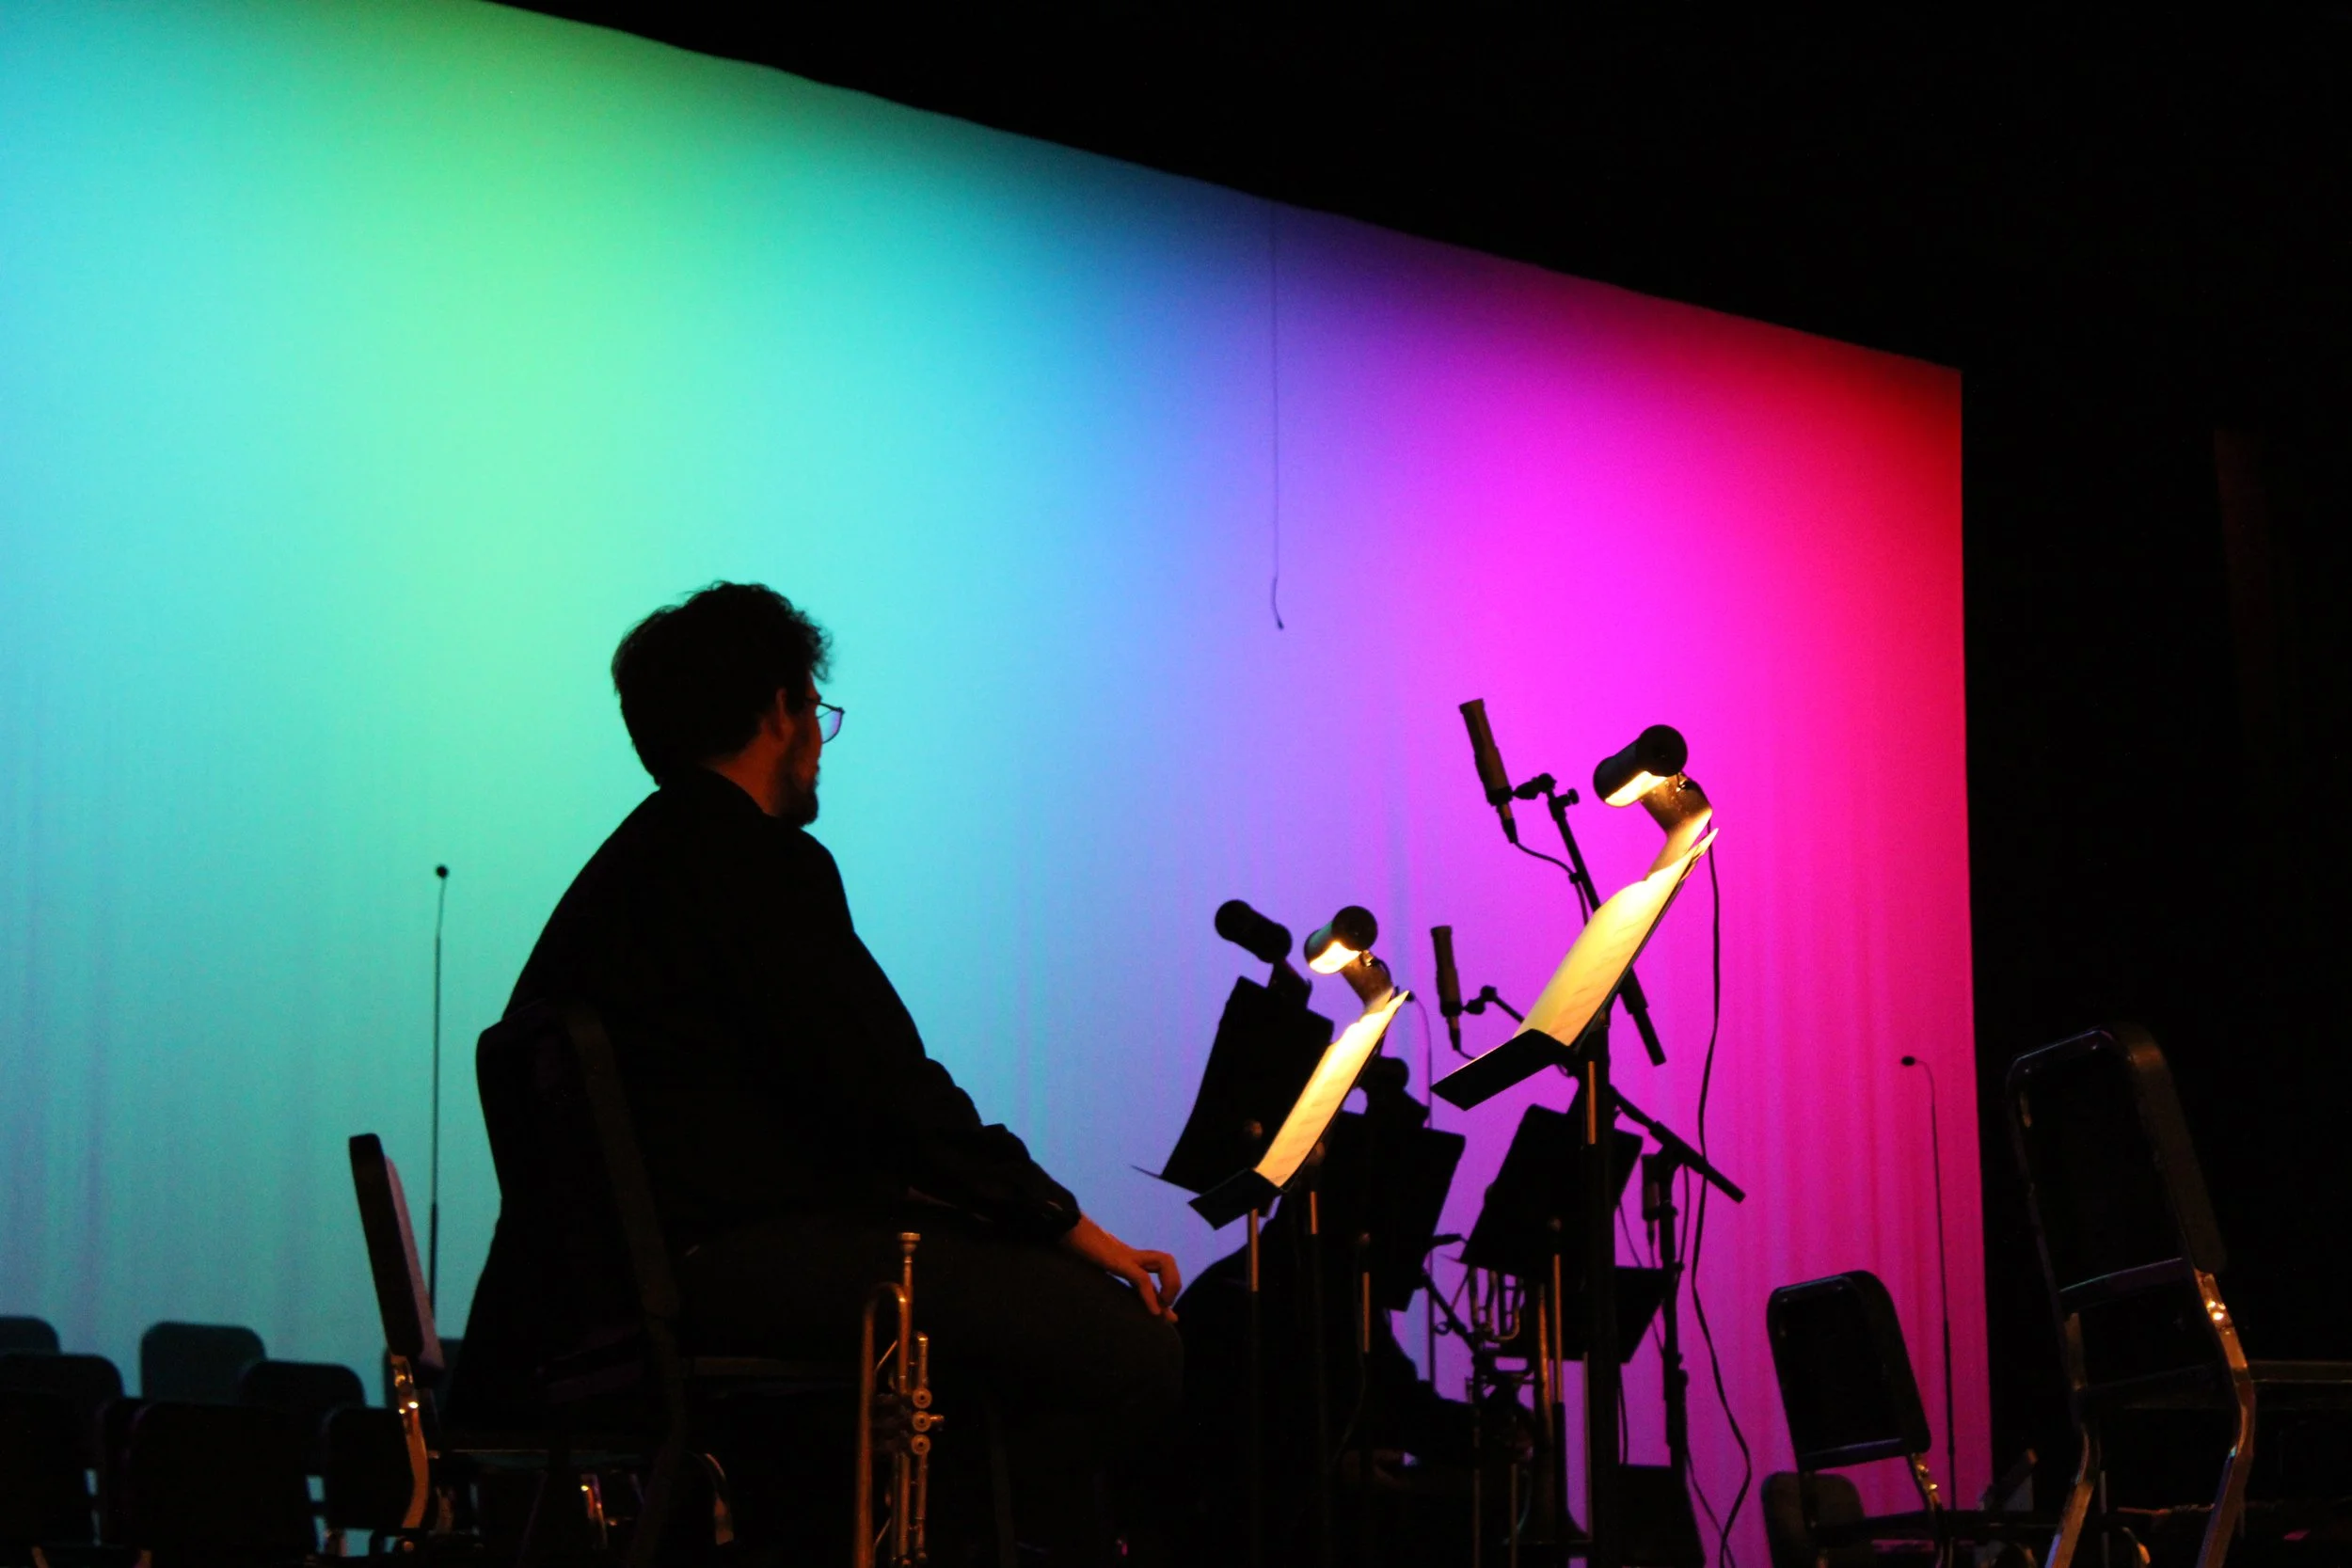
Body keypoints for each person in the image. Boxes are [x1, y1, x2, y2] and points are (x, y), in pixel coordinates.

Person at [449, 582, 1183, 1563]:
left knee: (1002, 1327)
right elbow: (891, 1093)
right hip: (721, 1273)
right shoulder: (756, 862)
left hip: (602, 1303)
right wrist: (1067, 1223)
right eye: (815, 711)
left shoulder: (621, 875)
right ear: (781, 710)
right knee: (1128, 1343)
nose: (820, 744)